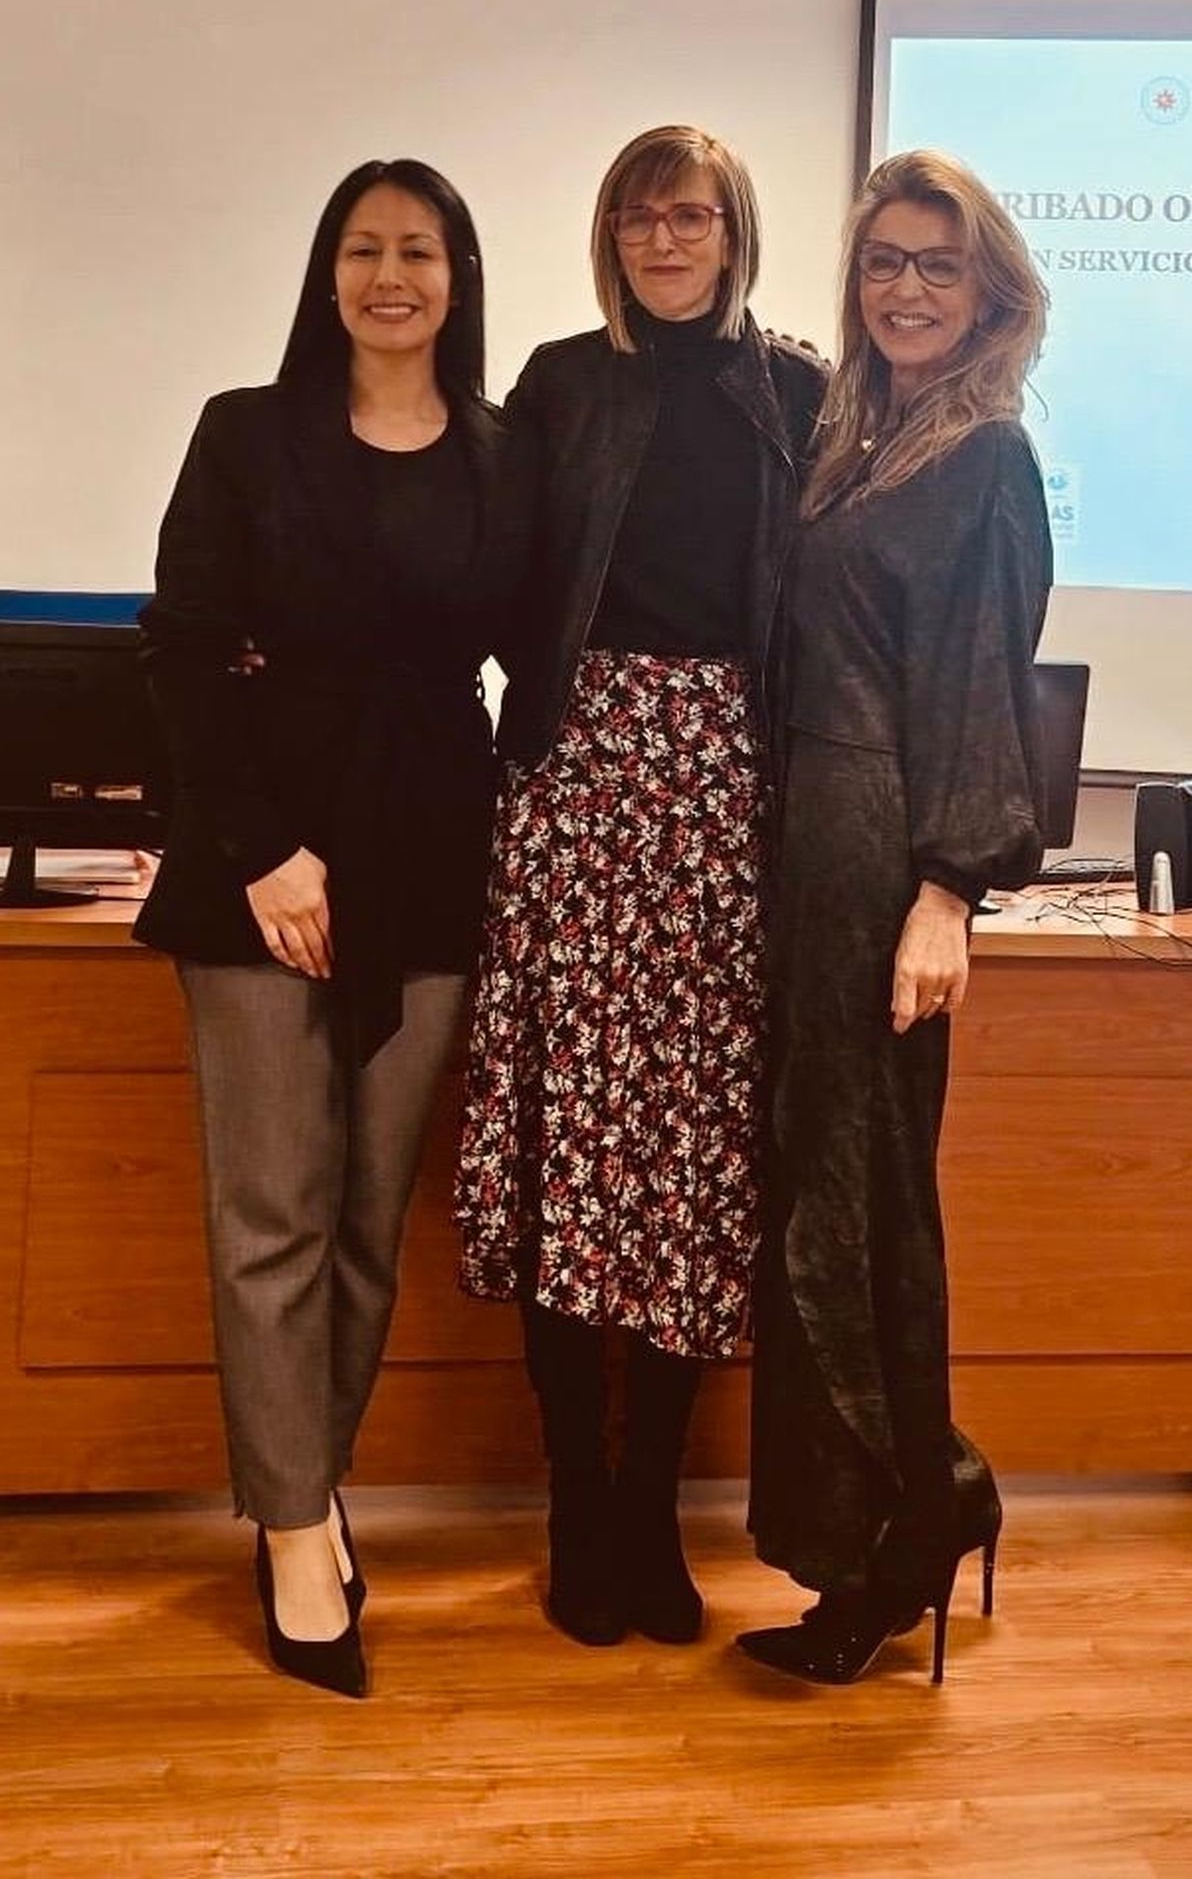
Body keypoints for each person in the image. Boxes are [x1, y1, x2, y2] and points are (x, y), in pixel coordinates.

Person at [136, 159, 510, 1698]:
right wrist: (265, 854)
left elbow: (545, 652)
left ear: (458, 275)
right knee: (272, 1215)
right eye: (362, 248)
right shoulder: (247, 433)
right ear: (326, 271)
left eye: (419, 248)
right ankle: (294, 1530)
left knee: (364, 1218)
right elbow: (179, 652)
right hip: (261, 872)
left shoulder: (501, 451)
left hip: (431, 861)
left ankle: (312, 1479)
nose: (390, 275)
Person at [453, 126, 827, 1648]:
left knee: (685, 1161)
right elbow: (489, 574)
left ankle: (651, 1510)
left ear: (736, 232)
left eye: (691, 215)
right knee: (571, 1150)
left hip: (726, 791)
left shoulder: (798, 393)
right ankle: (576, 1509)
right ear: (608, 236)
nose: (664, 239)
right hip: (575, 777)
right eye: (637, 216)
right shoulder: (560, 383)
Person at [736, 150, 1052, 1687]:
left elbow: (984, 684)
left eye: (938, 263)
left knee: (861, 1208)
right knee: (816, 1189)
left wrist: (947, 889)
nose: (907, 288)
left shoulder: (987, 458)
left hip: (880, 858)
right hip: (807, 843)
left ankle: (901, 1531)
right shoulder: (859, 440)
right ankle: (915, 1495)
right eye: (884, 261)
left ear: (988, 290)